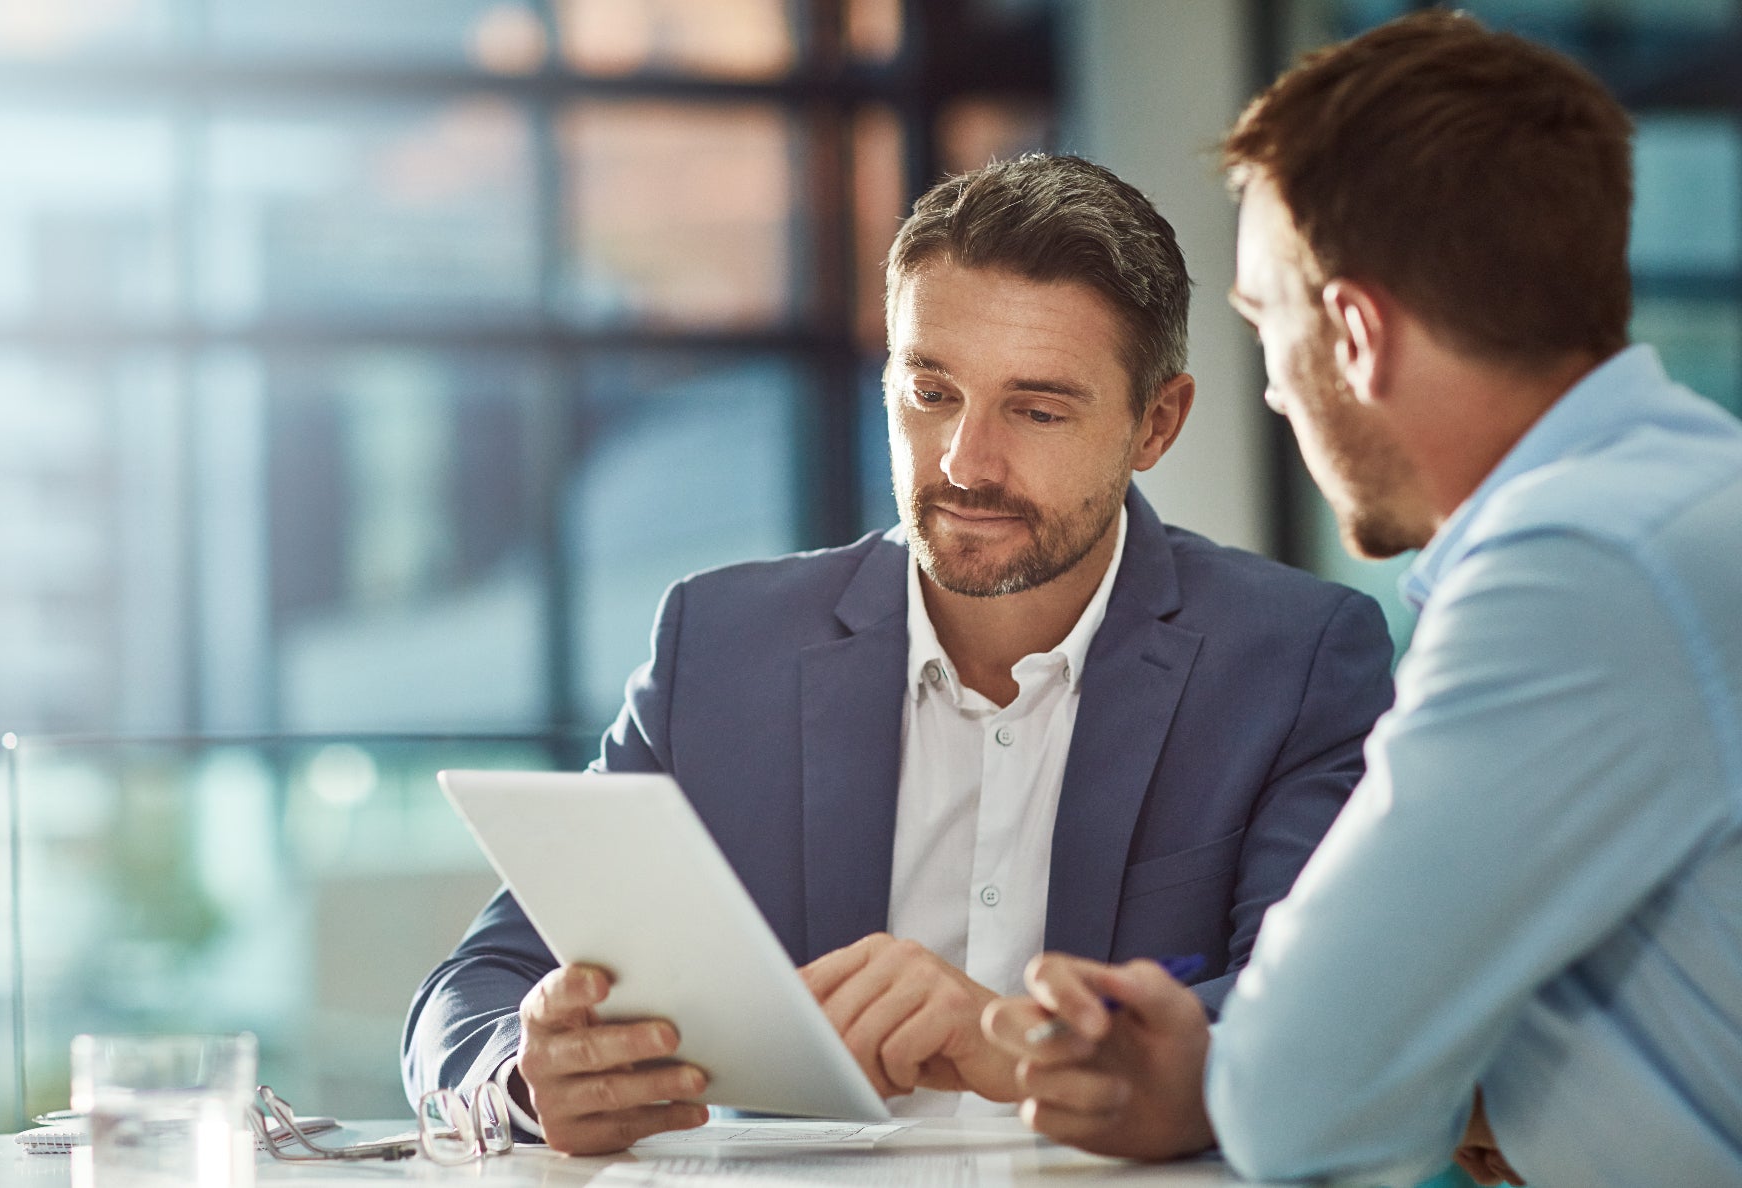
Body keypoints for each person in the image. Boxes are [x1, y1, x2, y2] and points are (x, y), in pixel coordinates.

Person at [403, 153, 1395, 1156]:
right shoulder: (722, 647)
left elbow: (1325, 1020)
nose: (965, 462)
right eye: (930, 392)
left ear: (1156, 424)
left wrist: (1006, 1042)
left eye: (1037, 409)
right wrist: (526, 1077)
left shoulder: (1295, 659)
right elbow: (474, 989)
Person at [982, 13, 1742, 1188]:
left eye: (1264, 327)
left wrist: (1216, 1075)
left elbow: (1300, 1105)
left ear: (1351, 331)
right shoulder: (1683, 500)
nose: (1277, 395)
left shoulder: (1575, 568)